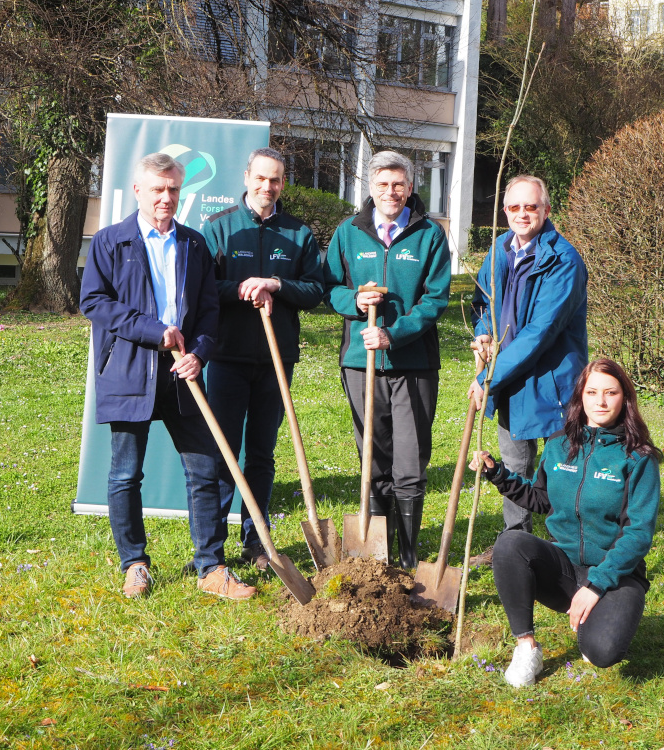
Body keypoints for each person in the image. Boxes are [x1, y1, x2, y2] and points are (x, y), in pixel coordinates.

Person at [80, 152, 255, 601]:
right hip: (128, 367)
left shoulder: (194, 245)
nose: (166, 198)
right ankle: (134, 564)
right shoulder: (109, 241)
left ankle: (210, 568)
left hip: (184, 373)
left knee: (204, 469)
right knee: (125, 474)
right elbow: (94, 303)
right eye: (157, 189)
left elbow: (210, 311)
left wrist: (198, 353)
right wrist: (154, 332)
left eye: (173, 190)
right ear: (137, 190)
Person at [469, 358, 661, 687]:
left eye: (611, 392)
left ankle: (596, 624)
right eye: (592, 392)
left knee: (603, 652)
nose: (600, 401)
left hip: (615, 575)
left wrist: (596, 586)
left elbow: (638, 534)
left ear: (624, 398)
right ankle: (527, 648)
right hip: (563, 569)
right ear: (581, 396)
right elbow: (542, 499)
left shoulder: (638, 457)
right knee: (510, 543)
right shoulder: (560, 445)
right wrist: (496, 474)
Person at [323, 150, 451, 568]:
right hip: (361, 364)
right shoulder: (348, 232)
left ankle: (409, 559)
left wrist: (393, 334)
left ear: (410, 188)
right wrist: (355, 300)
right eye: (382, 184)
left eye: (398, 184)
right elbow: (328, 287)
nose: (391, 191)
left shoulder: (429, 235)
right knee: (372, 460)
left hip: (413, 364)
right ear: (371, 189)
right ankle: (377, 559)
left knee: (410, 462)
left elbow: (435, 300)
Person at [201, 147, 324, 571]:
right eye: (260, 178)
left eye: (275, 180)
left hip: (276, 359)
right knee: (224, 454)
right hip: (226, 358)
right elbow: (203, 291)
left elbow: (315, 290)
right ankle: (212, 550)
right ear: (246, 177)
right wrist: (240, 289)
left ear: (283, 183)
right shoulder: (218, 228)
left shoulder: (298, 234)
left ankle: (256, 542)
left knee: (262, 454)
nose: (267, 186)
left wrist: (275, 284)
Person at [468, 175, 588, 566]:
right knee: (514, 463)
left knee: (560, 468)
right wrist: (484, 336)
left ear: (547, 210)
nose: (523, 214)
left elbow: (541, 332)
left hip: (552, 381)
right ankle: (515, 545)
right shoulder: (499, 250)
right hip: (509, 374)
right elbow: (483, 303)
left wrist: (488, 378)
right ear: (504, 212)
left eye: (531, 206)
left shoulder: (564, 261)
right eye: (514, 207)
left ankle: (567, 549)